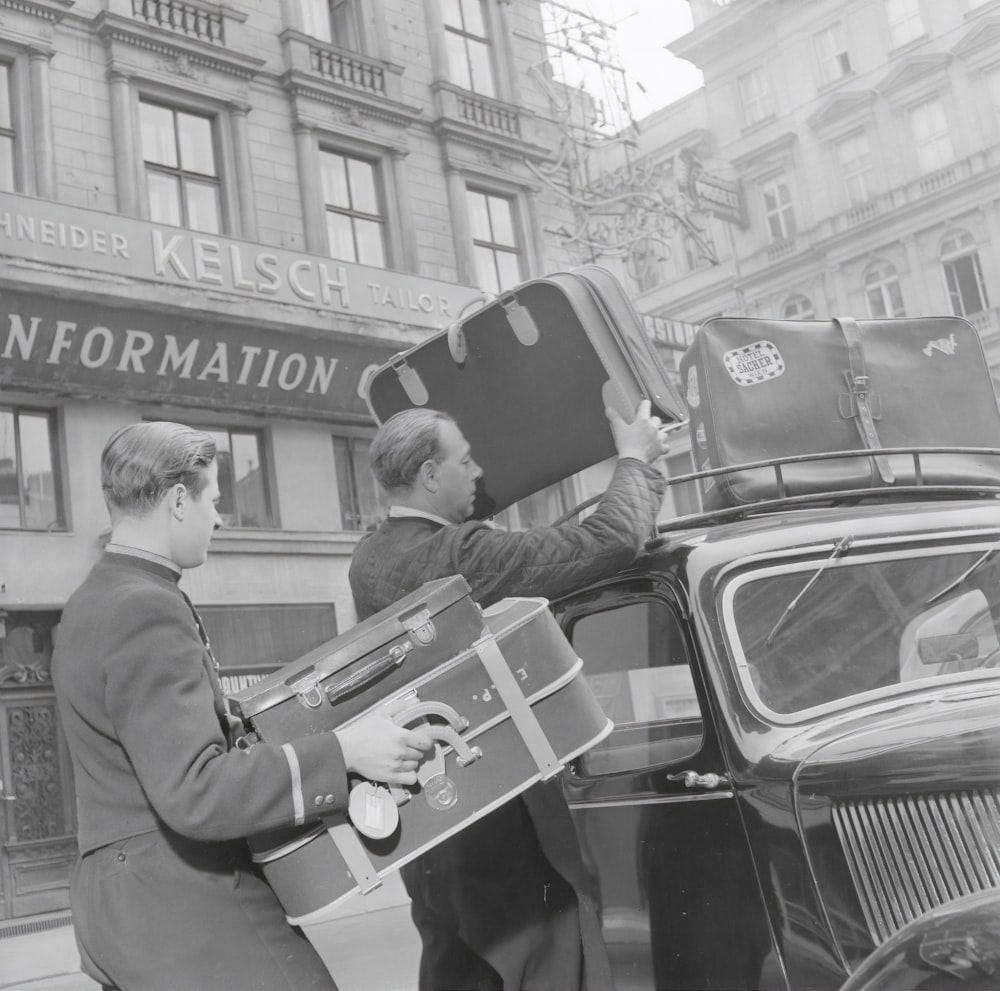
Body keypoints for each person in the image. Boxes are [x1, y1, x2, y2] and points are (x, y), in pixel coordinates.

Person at [52, 421, 434, 991]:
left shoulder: (92, 602)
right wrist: (345, 751)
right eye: (214, 499)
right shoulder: (144, 608)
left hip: (125, 905)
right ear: (179, 500)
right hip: (182, 900)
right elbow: (195, 789)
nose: (220, 518)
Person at [349, 399, 670, 991]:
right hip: (497, 824)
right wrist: (635, 458)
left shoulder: (370, 556)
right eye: (465, 462)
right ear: (427, 475)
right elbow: (610, 540)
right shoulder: (456, 557)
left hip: (430, 829)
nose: (476, 474)